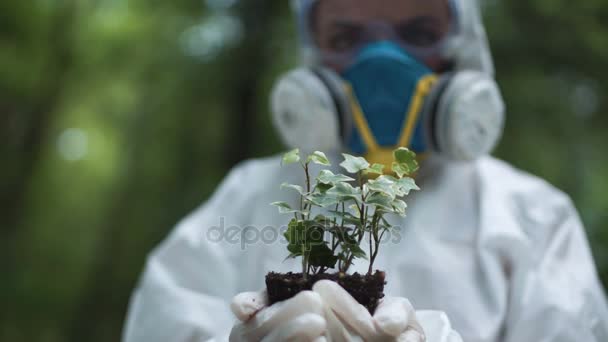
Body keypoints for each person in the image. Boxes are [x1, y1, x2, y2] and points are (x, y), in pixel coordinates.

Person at [123, 0, 608, 341]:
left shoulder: (535, 217)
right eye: (346, 37)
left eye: (418, 33)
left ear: (462, 48)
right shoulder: (247, 195)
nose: (380, 63)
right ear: (314, 57)